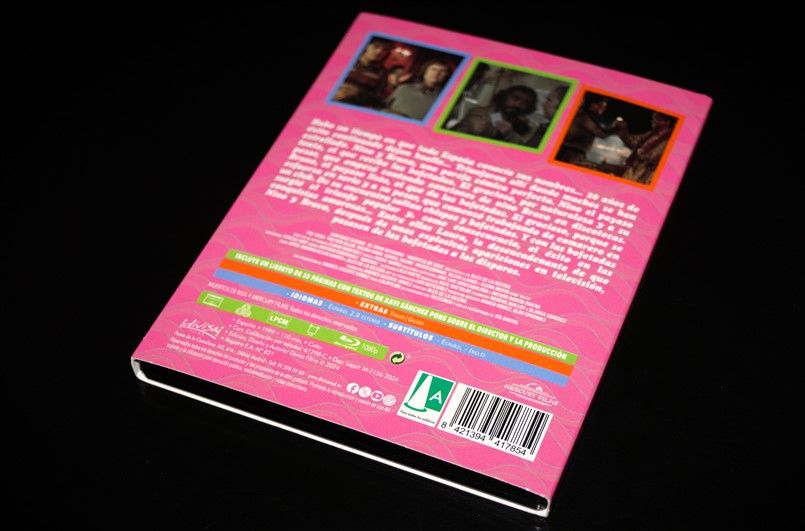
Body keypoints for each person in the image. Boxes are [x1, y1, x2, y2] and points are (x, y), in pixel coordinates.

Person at [450, 85, 539, 145]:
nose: (518, 104)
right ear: (505, 96)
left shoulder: (527, 126)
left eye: (525, 103)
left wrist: (509, 134)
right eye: (515, 98)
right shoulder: (481, 113)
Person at [617, 112, 675, 184]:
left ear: (666, 122)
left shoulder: (673, 139)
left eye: (656, 118)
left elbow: (658, 158)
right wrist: (623, 130)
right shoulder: (652, 133)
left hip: (646, 176)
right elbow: (633, 141)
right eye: (653, 118)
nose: (652, 121)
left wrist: (641, 154)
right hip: (633, 170)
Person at [384, 60, 453, 120]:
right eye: (433, 69)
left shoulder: (446, 100)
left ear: (447, 76)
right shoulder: (404, 88)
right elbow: (385, 107)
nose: (436, 73)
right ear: (425, 72)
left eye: (443, 71)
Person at [556, 93, 613, 164]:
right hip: (571, 153)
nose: (603, 109)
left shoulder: (584, 115)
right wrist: (617, 128)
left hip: (571, 152)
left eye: (604, 107)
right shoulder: (584, 117)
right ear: (592, 104)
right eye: (601, 105)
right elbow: (602, 134)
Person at [333, 38, 391, 108]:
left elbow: (377, 97)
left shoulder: (382, 72)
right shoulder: (345, 59)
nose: (379, 52)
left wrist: (357, 92)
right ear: (367, 46)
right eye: (376, 46)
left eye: (384, 50)